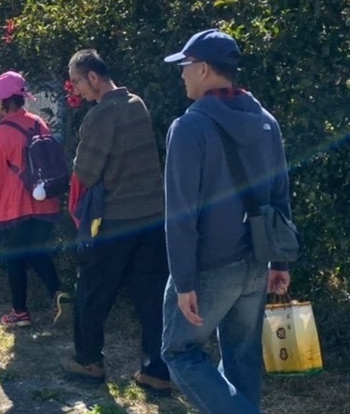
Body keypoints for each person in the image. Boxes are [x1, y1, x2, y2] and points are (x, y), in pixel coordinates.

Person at [160, 29, 293, 413]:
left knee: (179, 352)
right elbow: (280, 194)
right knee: (242, 359)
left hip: (208, 266)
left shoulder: (188, 127)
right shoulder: (266, 121)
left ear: (203, 69)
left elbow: (181, 215)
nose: (182, 74)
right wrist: (278, 262)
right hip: (256, 262)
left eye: (185, 66)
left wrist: (184, 282)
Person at [61, 51, 171, 392]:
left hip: (115, 220)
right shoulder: (137, 104)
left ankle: (89, 361)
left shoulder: (98, 117)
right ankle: (156, 372)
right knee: (152, 298)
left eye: (77, 80)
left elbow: (86, 172)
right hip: (153, 217)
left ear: (93, 76)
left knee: (92, 292)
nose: (76, 89)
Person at [0, 71, 69, 329]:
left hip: (13, 207)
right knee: (36, 251)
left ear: (6, 101)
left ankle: (20, 312)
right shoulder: (40, 123)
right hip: (46, 202)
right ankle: (59, 293)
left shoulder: (1, 132)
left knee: (15, 258)